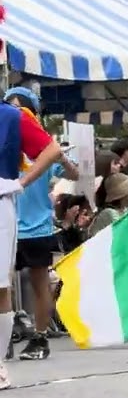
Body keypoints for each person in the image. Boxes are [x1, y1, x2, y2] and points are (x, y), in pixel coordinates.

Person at [3, 88, 79, 361]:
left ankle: (40, 336)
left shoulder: (41, 144)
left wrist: (62, 157)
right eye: (11, 106)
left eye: (21, 106)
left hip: (36, 226)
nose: (16, 111)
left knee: (39, 283)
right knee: (5, 283)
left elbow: (74, 173)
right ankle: (7, 335)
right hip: (9, 222)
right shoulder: (9, 139)